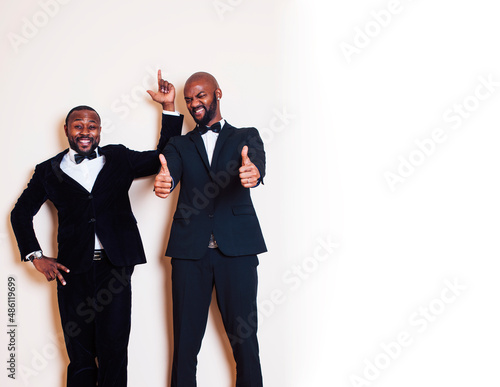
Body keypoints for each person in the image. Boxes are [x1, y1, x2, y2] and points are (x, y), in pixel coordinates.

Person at [10, 70, 182, 387]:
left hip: (115, 268)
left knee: (114, 348)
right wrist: (36, 256)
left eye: (92, 126)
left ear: (100, 130)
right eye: (79, 126)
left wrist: (168, 107)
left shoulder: (119, 158)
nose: (85, 131)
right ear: (67, 130)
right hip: (71, 271)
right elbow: (20, 213)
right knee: (79, 353)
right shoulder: (48, 170)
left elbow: (164, 156)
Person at [151, 72, 266, 387]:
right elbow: (169, 172)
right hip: (190, 254)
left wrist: (252, 173)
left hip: (238, 252)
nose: (193, 103)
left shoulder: (246, 135)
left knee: (245, 341)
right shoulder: (179, 144)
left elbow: (256, 165)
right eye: (188, 99)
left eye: (199, 95)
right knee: (185, 344)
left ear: (217, 93)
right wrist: (166, 182)